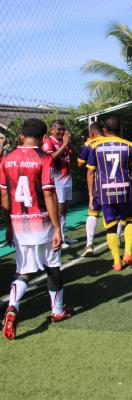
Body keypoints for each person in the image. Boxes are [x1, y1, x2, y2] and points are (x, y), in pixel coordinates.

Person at [0, 118, 72, 340]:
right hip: (42, 223)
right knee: (52, 267)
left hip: (19, 224)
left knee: (23, 271)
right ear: (43, 138)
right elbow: (49, 193)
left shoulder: (6, 159)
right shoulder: (44, 158)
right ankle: (57, 311)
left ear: (21, 136)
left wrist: (9, 226)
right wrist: (57, 228)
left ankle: (13, 306)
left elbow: (4, 195)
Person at [87, 116, 132, 271]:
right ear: (120, 130)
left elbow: (90, 172)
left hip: (105, 192)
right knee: (130, 220)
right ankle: (128, 253)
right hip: (124, 190)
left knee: (111, 227)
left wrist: (91, 195)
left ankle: (117, 262)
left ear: (104, 130)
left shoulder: (95, 147)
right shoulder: (128, 145)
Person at [42, 120, 77, 249]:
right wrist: (64, 145)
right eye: (59, 129)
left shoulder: (64, 141)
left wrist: (69, 143)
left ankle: (63, 234)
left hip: (67, 177)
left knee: (65, 209)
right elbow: (50, 158)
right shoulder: (48, 141)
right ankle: (57, 236)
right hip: (57, 180)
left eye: (63, 129)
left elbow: (78, 155)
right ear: (52, 129)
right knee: (58, 209)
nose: (62, 132)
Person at [77, 122, 104, 256]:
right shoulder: (113, 141)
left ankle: (89, 244)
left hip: (97, 185)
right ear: (103, 131)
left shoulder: (89, 144)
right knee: (115, 214)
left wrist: (90, 194)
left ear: (91, 133)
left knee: (93, 213)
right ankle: (117, 241)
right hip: (114, 183)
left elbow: (80, 163)